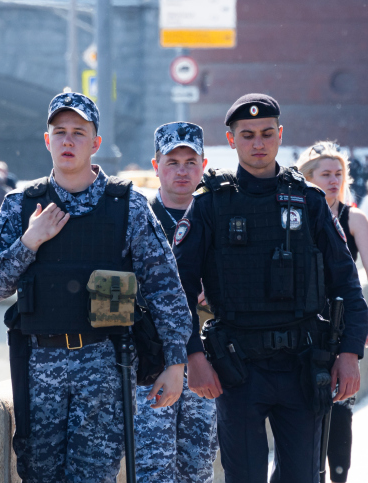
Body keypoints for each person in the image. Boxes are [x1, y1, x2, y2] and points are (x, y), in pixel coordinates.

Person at [0, 92, 191, 482]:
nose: (68, 141)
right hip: (40, 369)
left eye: (79, 132)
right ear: (47, 140)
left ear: (96, 143)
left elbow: (166, 289)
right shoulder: (21, 207)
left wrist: (175, 363)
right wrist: (29, 242)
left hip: (105, 368)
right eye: (60, 132)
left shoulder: (127, 206)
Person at [173, 93, 368, 483]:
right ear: (231, 140)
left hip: (302, 363)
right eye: (247, 135)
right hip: (237, 367)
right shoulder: (211, 205)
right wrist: (193, 357)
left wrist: (349, 353)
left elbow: (346, 282)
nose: (258, 143)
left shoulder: (309, 201)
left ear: (280, 135)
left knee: (302, 477)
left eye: (266, 133)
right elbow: (179, 290)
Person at [134, 122, 219, 483]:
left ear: (203, 166)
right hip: (151, 362)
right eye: (172, 162)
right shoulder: (138, 219)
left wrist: (216, 291)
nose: (182, 171)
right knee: (153, 470)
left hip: (206, 360)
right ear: (156, 166)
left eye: (190, 162)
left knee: (197, 468)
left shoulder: (218, 216)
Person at [296, 141, 368, 482]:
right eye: (326, 175)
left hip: (341, 321)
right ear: (308, 178)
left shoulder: (353, 218)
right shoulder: (293, 215)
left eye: (338, 174)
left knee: (340, 408)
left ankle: (338, 475)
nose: (334, 181)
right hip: (301, 322)